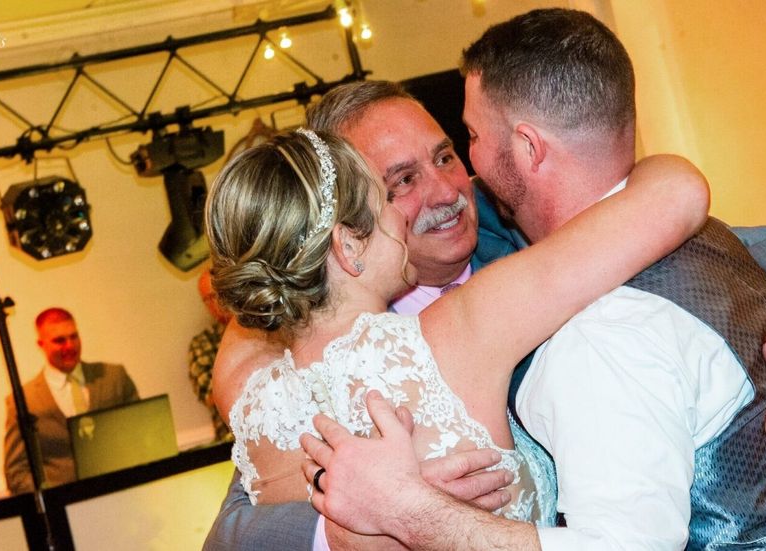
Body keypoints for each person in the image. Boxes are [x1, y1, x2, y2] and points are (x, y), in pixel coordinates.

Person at [301, 9, 766, 549]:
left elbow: (756, 239)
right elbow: (246, 523)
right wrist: (351, 532)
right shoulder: (328, 346)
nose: (451, 190)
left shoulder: (569, 265)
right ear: (351, 223)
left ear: (526, 148)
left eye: (450, 152)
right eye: (401, 181)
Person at [206, 124, 709, 531]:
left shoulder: (249, 400)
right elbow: (679, 193)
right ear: (348, 246)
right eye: (384, 198)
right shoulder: (461, 331)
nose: (401, 216)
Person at [3, 308, 139, 494]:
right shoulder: (24, 401)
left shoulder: (114, 377)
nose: (70, 346)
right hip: (64, 510)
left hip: (125, 496)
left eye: (74, 337)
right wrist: (55, 499)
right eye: (59, 340)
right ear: (41, 344)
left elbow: (142, 436)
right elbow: (16, 472)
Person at [188, 265, 234, 444]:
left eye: (216, 296)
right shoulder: (202, 343)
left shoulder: (260, 329)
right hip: (229, 441)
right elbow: (211, 396)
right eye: (206, 299)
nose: (214, 304)